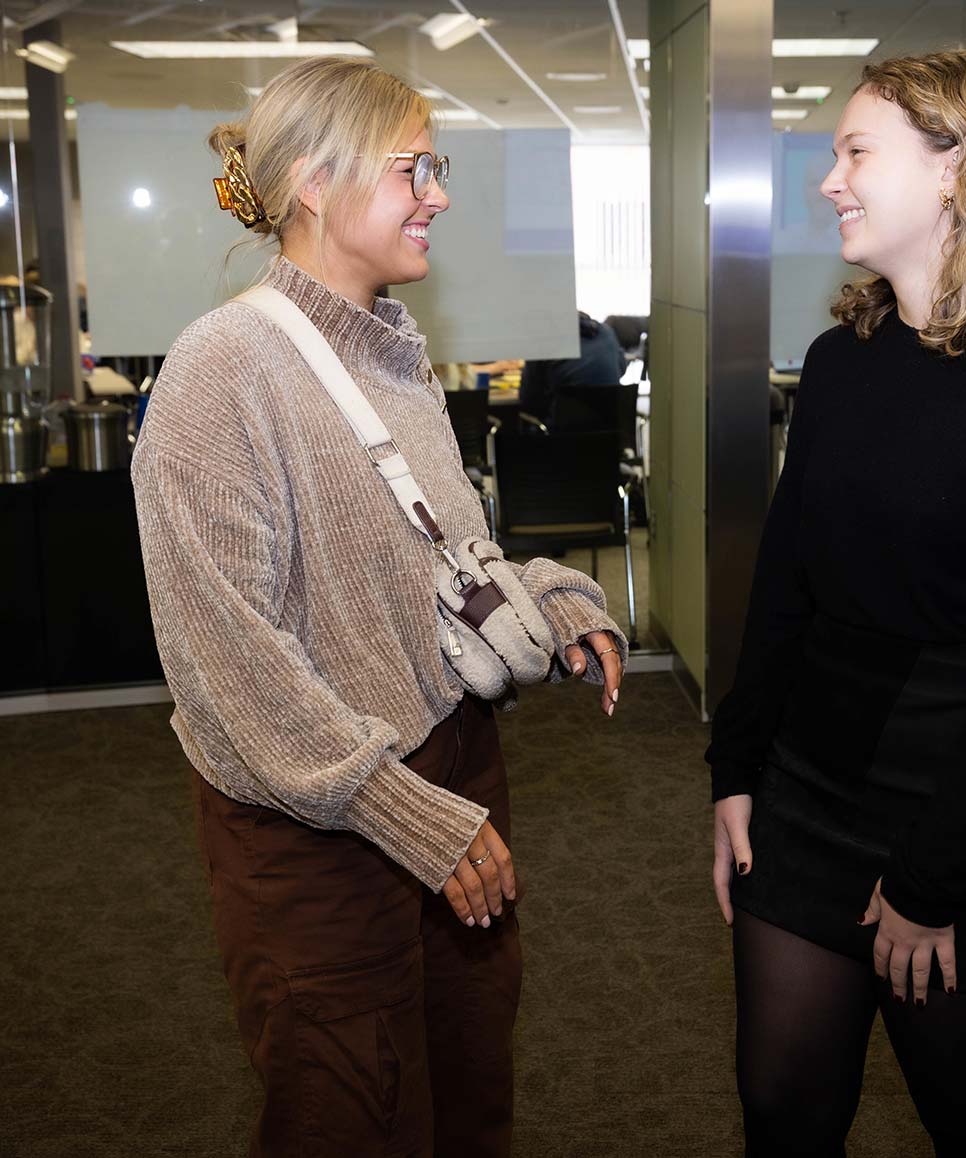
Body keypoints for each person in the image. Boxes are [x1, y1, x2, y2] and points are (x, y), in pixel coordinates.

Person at [132, 57, 626, 1158]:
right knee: (354, 1114)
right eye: (416, 167)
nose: (438, 193)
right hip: (324, 822)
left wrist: (553, 598)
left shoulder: (389, 348)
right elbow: (229, 668)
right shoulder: (223, 369)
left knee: (468, 1089)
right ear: (314, 183)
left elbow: (438, 558)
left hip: (452, 776)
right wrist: (406, 816)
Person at [707, 50, 966, 1158]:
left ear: (955, 169)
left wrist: (933, 882)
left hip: (960, 815)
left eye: (855, 152)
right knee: (782, 1110)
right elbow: (786, 583)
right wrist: (737, 770)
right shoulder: (842, 361)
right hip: (807, 793)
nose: (829, 179)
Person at [518, 310, 627, 426]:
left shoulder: (543, 343)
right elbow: (621, 368)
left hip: (563, 438)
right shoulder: (607, 332)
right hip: (612, 434)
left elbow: (528, 401)